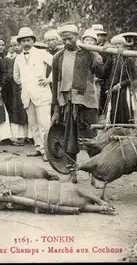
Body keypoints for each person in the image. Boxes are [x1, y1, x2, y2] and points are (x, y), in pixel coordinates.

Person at [51, 24, 105, 183]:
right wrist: (55, 109)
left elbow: (101, 73)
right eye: (64, 39)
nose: (67, 42)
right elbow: (55, 85)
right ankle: (72, 173)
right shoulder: (58, 57)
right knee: (69, 140)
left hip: (86, 102)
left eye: (71, 38)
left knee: (91, 140)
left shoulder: (89, 54)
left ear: (77, 36)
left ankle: (95, 175)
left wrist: (96, 56)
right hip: (66, 102)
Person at [13, 27, 53, 160]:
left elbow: (57, 65)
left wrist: (48, 79)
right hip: (27, 96)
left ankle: (48, 152)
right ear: (20, 42)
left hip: (42, 94)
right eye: (23, 41)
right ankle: (39, 148)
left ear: (33, 41)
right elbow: (16, 76)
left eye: (28, 40)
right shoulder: (18, 58)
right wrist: (26, 85)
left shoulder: (42, 53)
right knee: (33, 125)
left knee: (44, 124)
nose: (26, 43)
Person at [101, 35, 137, 124]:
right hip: (111, 89)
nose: (117, 46)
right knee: (112, 111)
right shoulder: (111, 59)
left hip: (124, 89)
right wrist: (109, 55)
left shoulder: (129, 58)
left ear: (124, 45)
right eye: (115, 44)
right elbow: (103, 73)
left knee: (125, 111)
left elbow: (133, 76)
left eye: (119, 44)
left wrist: (120, 85)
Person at [2, 36, 29, 146]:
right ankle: (18, 135)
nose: (16, 47)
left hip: (26, 86)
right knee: (16, 110)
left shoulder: (27, 57)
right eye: (13, 45)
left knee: (25, 110)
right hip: (14, 88)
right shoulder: (11, 59)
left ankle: (28, 135)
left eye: (17, 45)